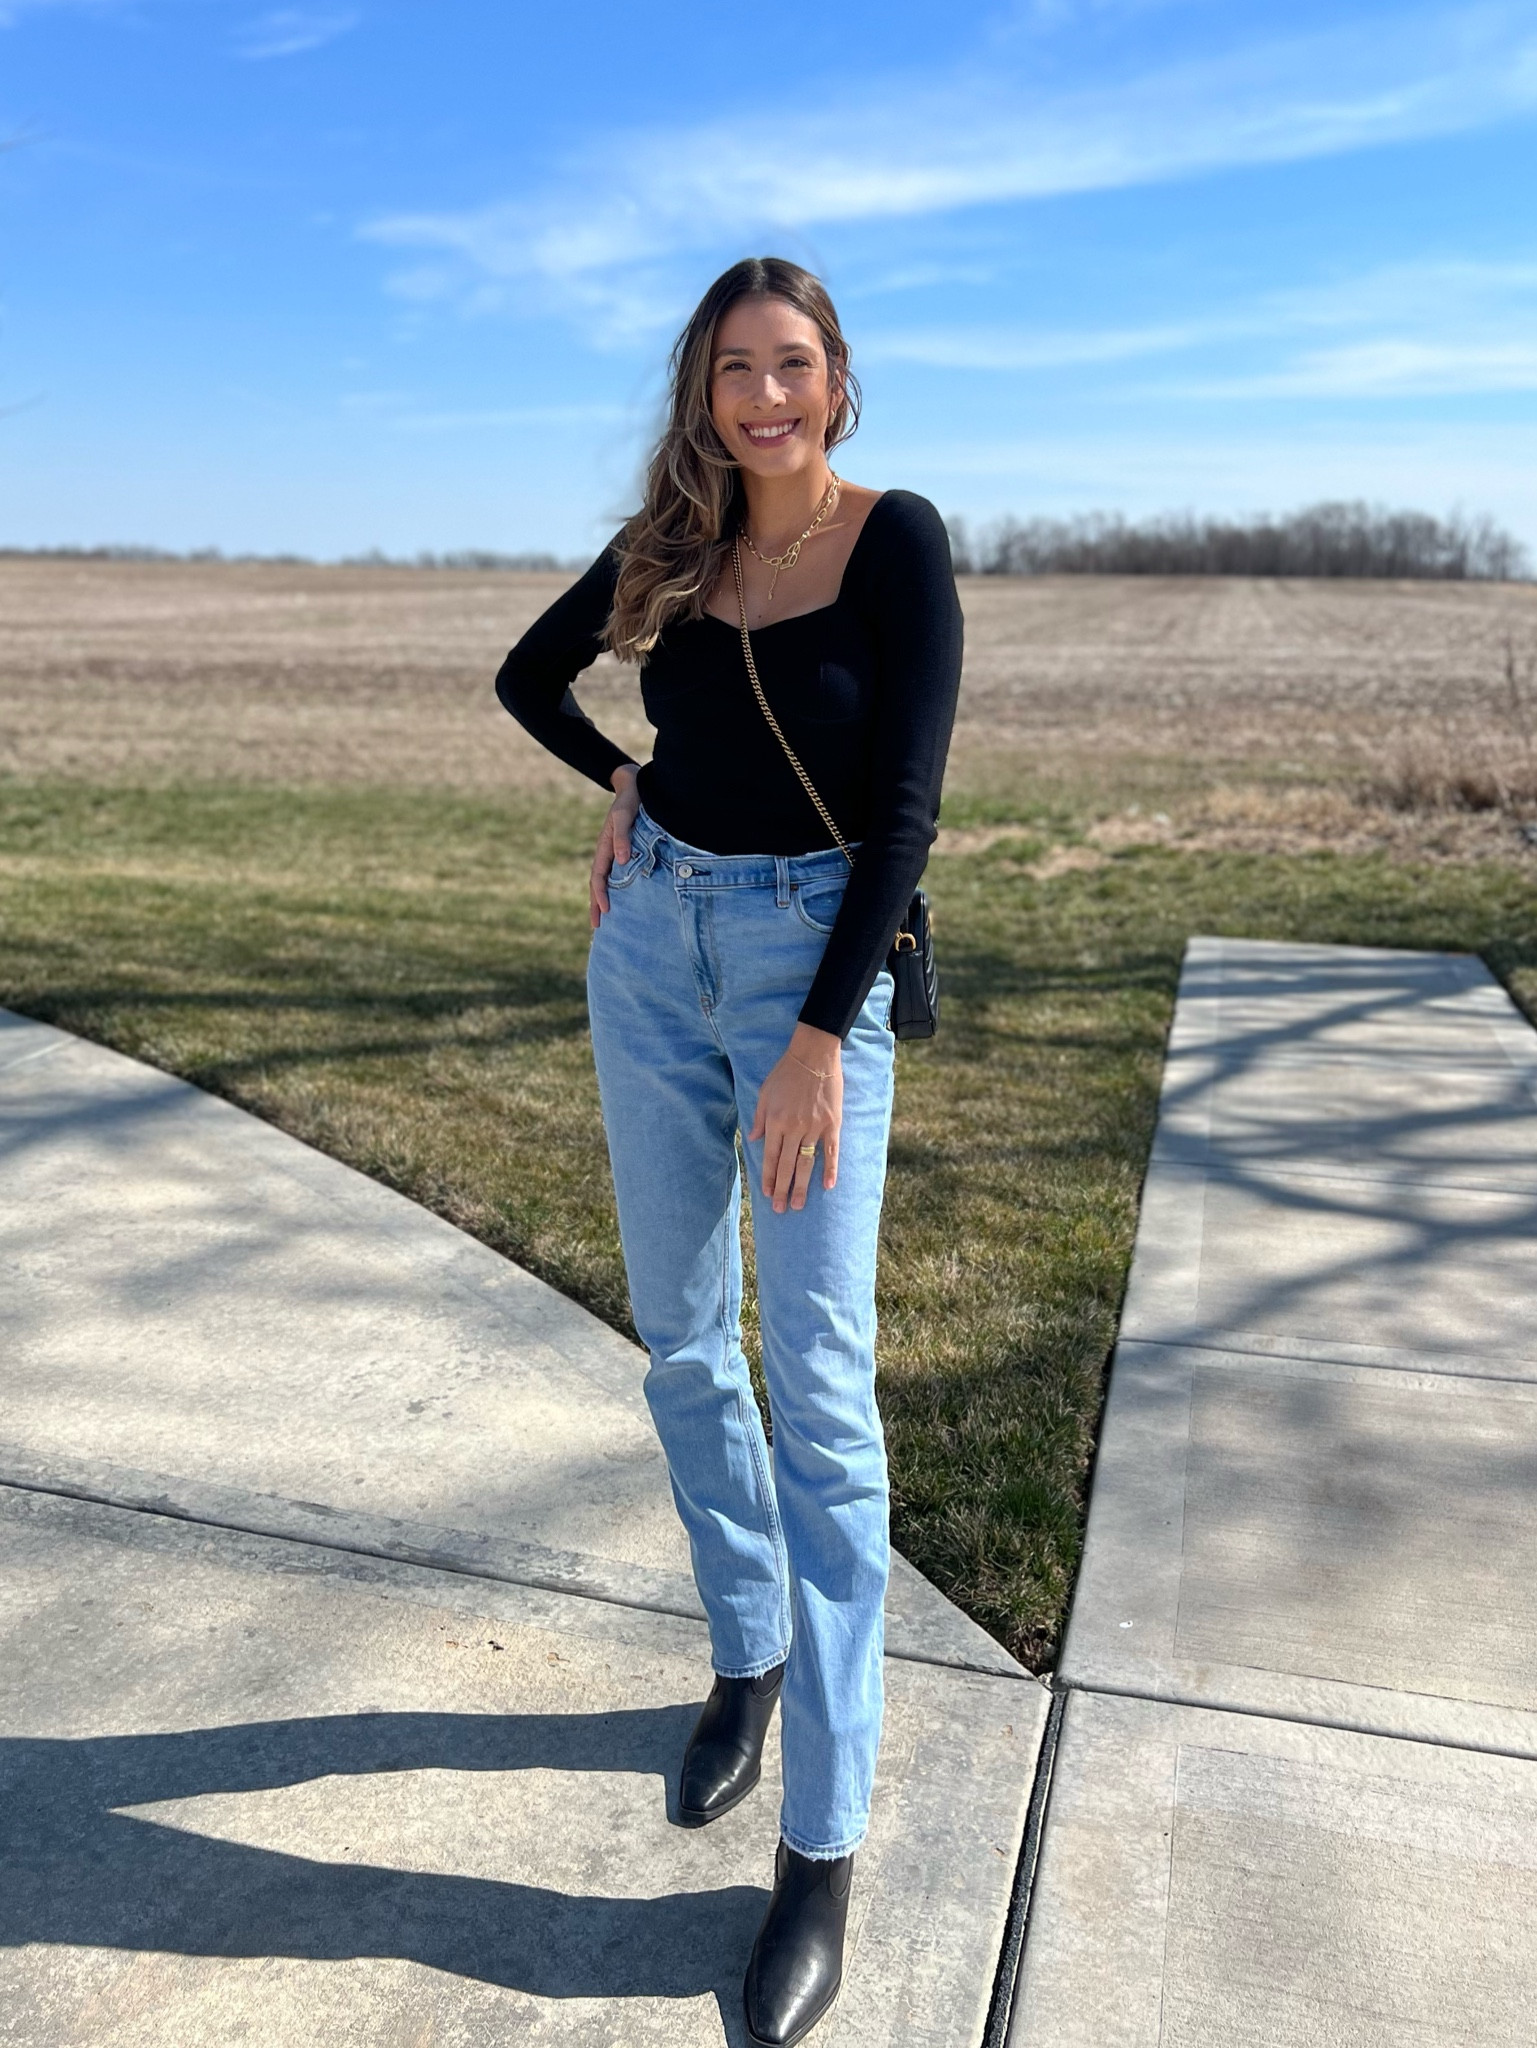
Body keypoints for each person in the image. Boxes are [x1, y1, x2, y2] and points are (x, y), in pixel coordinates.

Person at [495, 254, 963, 2048]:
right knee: (684, 1345)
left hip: (804, 962)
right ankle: (745, 1650)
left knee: (818, 1394)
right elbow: (529, 684)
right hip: (648, 945)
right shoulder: (671, 550)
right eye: (731, 372)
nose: (762, 397)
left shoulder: (893, 538)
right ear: (701, 395)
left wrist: (815, 1041)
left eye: (790, 366)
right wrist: (622, 788)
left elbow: (905, 812)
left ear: (837, 381)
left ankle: (817, 1850)